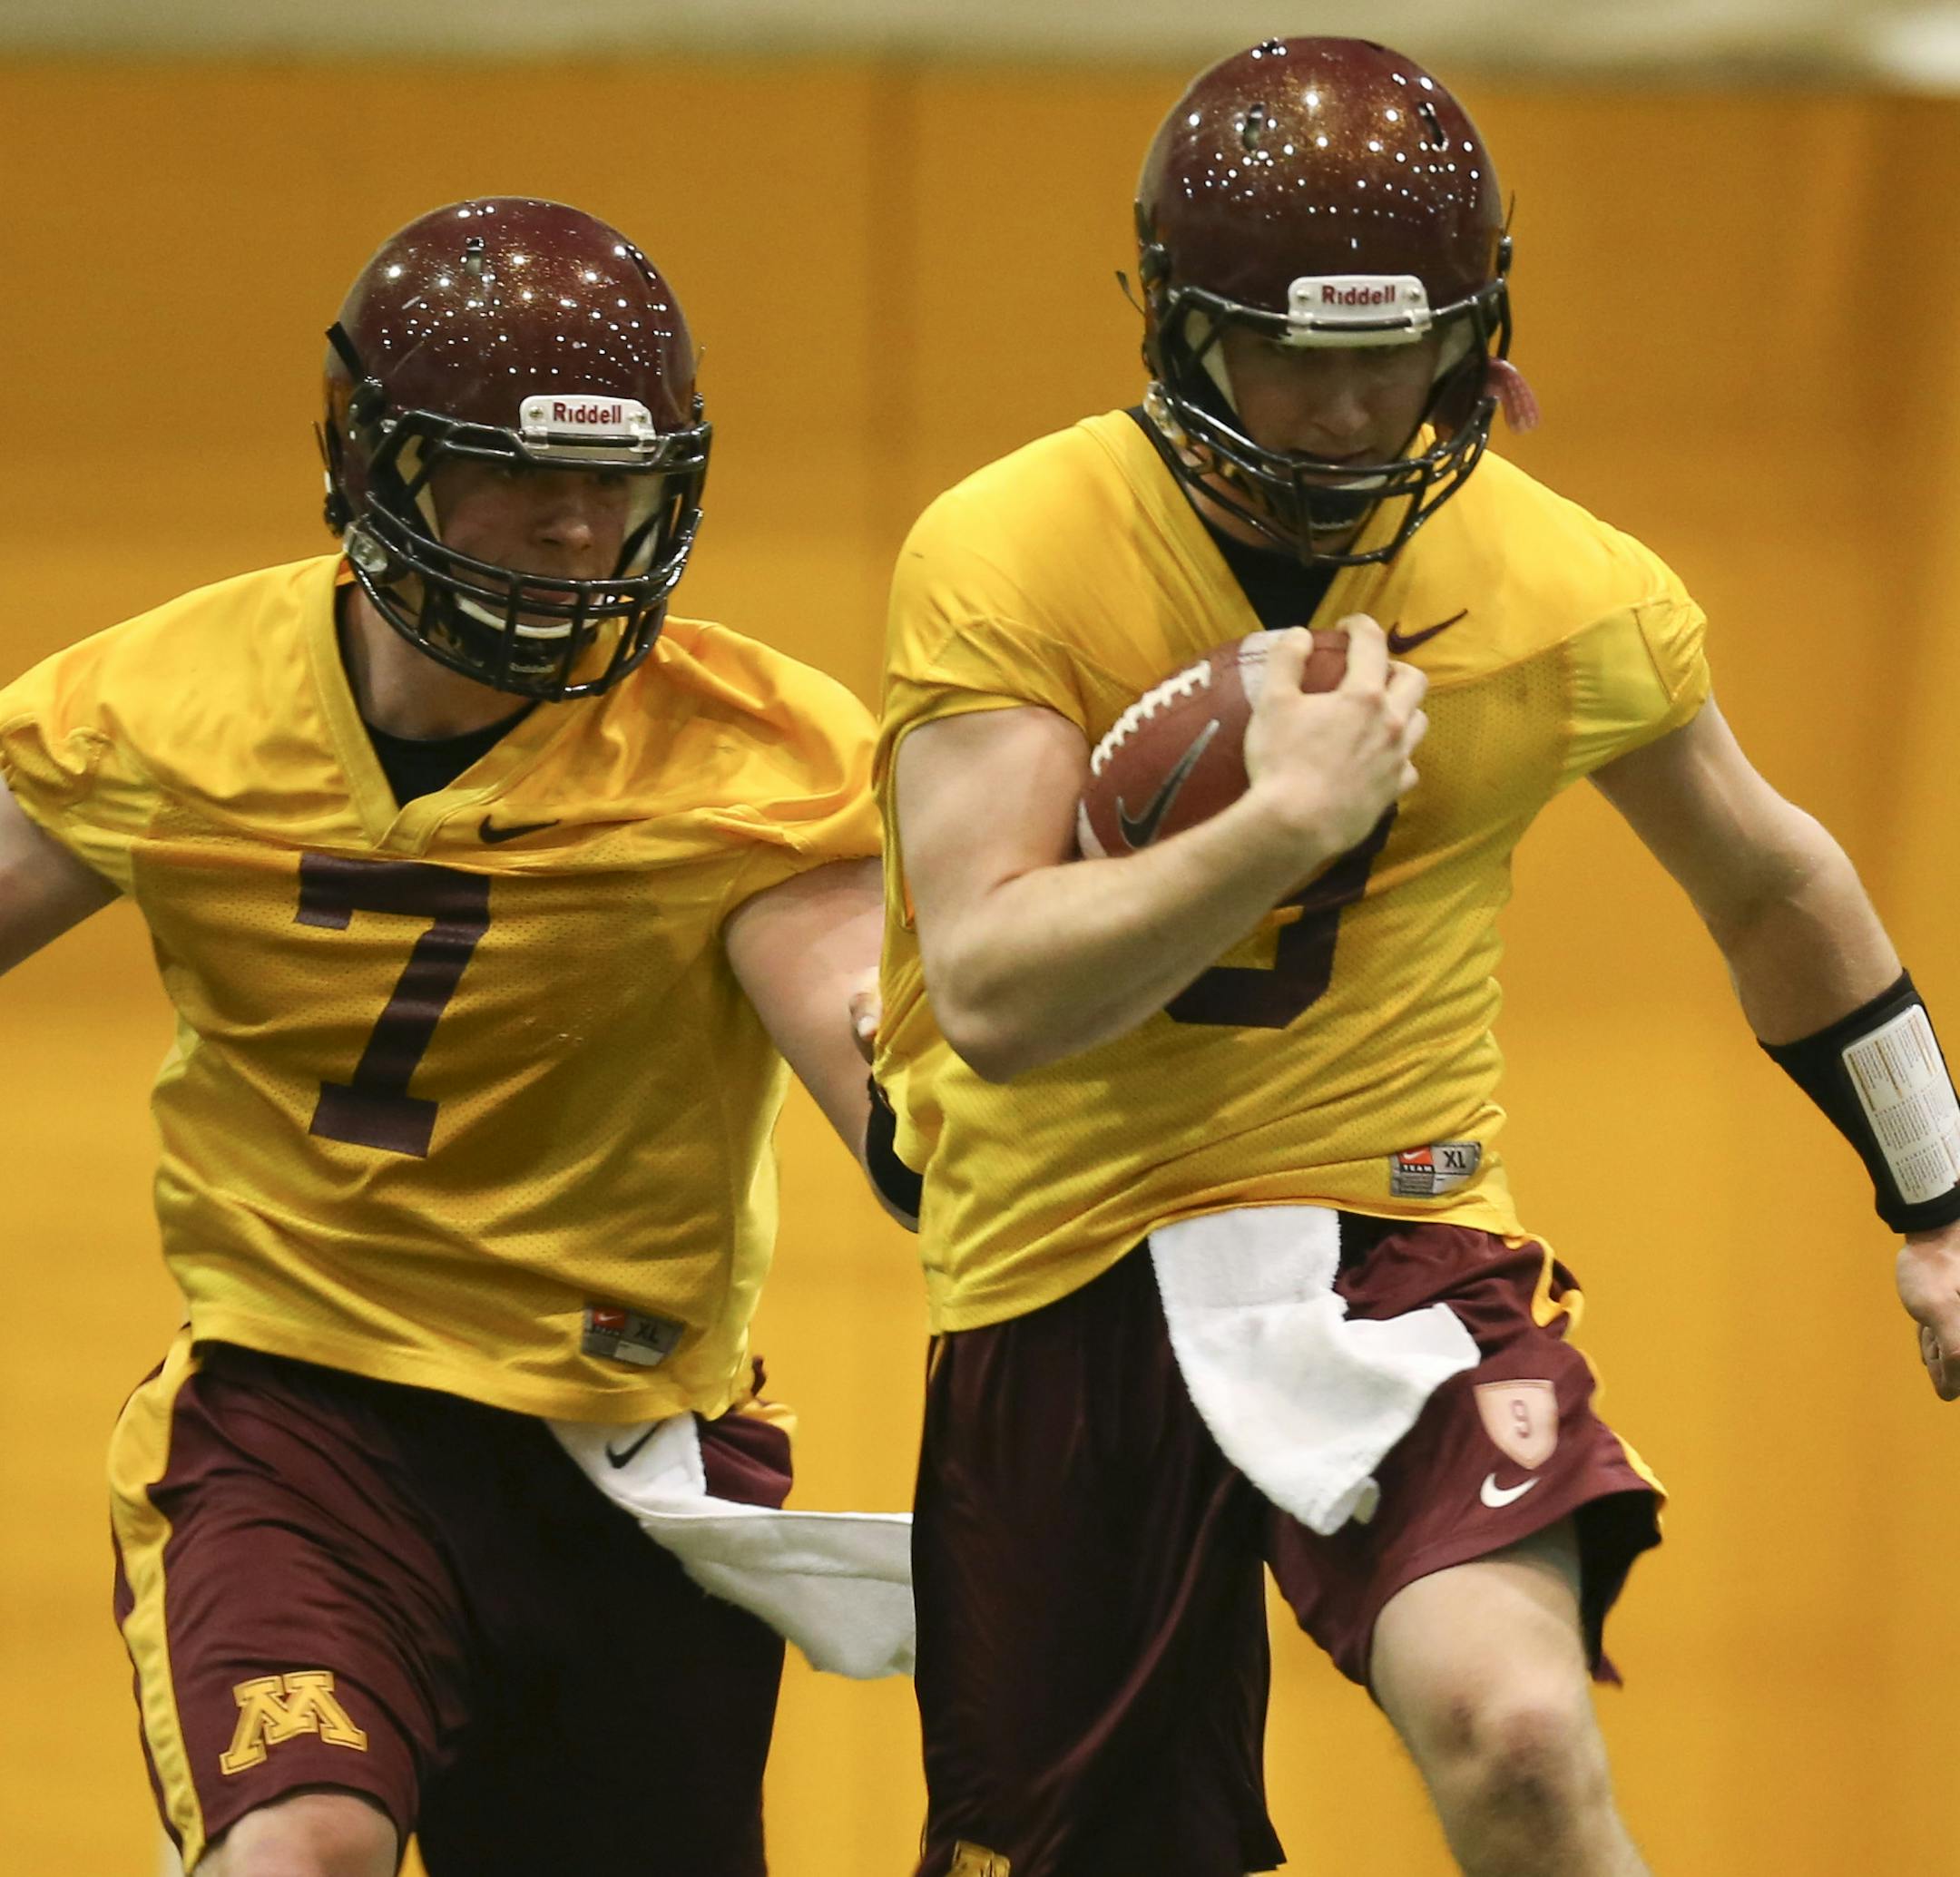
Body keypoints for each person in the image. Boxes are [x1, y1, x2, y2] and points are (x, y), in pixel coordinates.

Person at [873, 37, 1960, 1877]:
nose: (1347, 407)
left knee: (1522, 1737)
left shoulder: (1563, 583)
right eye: (1291, 353)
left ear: (1474, 332)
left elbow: (1774, 884)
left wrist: (1937, 1198)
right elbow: (988, 990)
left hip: (1399, 1235)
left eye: (1396, 352)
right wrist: (1282, 821)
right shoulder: (1015, 548)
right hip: (1065, 1258)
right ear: (1179, 328)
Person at [0, 197, 895, 1877]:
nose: (575, 526)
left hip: (625, 1447)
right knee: (303, 1844)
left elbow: (894, 1107)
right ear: (378, 462)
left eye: (615, 481)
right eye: (518, 471)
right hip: (302, 1412)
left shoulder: (746, 752)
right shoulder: (171, 703)